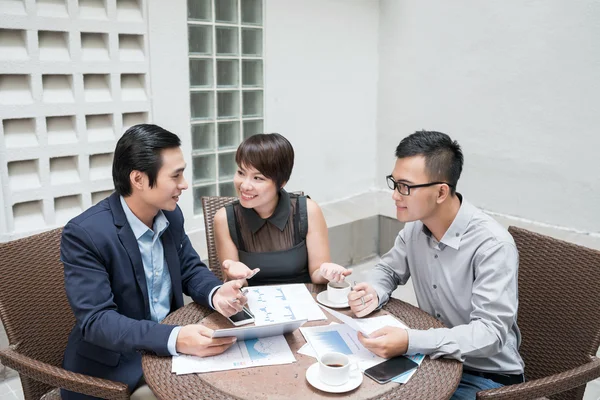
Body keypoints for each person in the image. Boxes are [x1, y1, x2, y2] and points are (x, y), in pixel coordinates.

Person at [61, 124, 247, 400]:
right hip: (115, 367)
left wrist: (216, 292)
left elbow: (190, 269)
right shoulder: (85, 234)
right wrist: (174, 338)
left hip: (168, 351)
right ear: (138, 179)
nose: (184, 184)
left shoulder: (170, 216)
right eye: (176, 175)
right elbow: (98, 321)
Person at [348, 131, 525, 399]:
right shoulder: (414, 230)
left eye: (405, 186)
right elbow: (386, 271)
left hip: (485, 378)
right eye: (394, 183)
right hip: (432, 362)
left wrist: (411, 341)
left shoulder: (492, 245)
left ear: (441, 191)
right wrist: (373, 290)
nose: (395, 196)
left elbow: (490, 334)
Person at [213, 133, 349, 286]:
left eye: (258, 178)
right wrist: (234, 275)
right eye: (241, 173)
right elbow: (235, 286)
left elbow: (317, 274)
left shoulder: (308, 211)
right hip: (251, 303)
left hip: (303, 300)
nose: (244, 185)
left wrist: (327, 272)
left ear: (281, 182)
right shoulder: (225, 219)